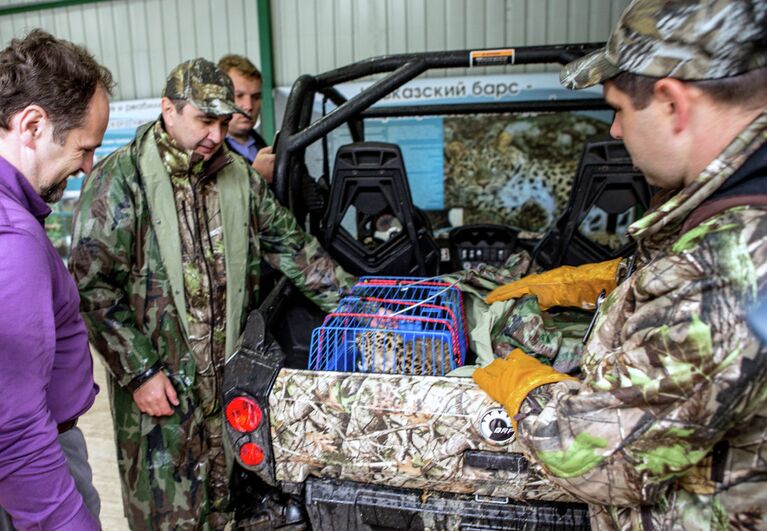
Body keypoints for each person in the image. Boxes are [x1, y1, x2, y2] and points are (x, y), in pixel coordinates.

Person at [473, 0, 767, 528]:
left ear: (674, 104)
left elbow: (598, 456)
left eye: (619, 109)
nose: (613, 130)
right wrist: (614, 279)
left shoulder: (735, 266)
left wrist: (526, 385)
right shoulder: (733, 202)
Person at [69, 57, 354, 530]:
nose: (217, 136)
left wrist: (361, 308)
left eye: (224, 123)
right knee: (168, 514)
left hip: (226, 385)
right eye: (205, 120)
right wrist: (139, 371)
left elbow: (296, 252)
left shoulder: (237, 177)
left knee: (231, 507)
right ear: (169, 109)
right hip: (161, 396)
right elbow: (91, 286)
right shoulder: (121, 180)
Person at [0, 29, 112, 530]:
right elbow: (16, 431)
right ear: (32, 125)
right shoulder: (11, 236)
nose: (88, 167)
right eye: (84, 148)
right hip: (38, 457)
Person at [217, 54, 275, 183]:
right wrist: (257, 177)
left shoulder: (258, 142)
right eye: (239, 96)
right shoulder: (209, 151)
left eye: (255, 97)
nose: (249, 106)